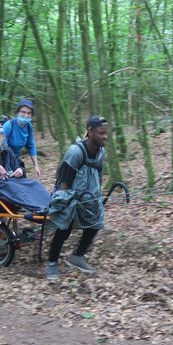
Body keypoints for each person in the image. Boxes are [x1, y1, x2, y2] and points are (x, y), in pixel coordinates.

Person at [46, 115, 108, 281]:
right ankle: (52, 263)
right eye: (101, 133)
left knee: (96, 223)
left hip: (90, 195)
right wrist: (64, 204)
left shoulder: (101, 152)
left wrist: (97, 195)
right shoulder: (75, 152)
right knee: (64, 229)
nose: (105, 136)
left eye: (106, 133)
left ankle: (77, 256)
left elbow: (99, 174)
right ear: (90, 131)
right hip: (71, 194)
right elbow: (65, 182)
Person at [2, 99, 41, 178]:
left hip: (15, 159)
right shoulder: (9, 125)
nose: (26, 115)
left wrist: (36, 166)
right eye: (23, 112)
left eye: (29, 113)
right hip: (3, 160)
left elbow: (31, 146)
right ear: (17, 113)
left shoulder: (29, 127)